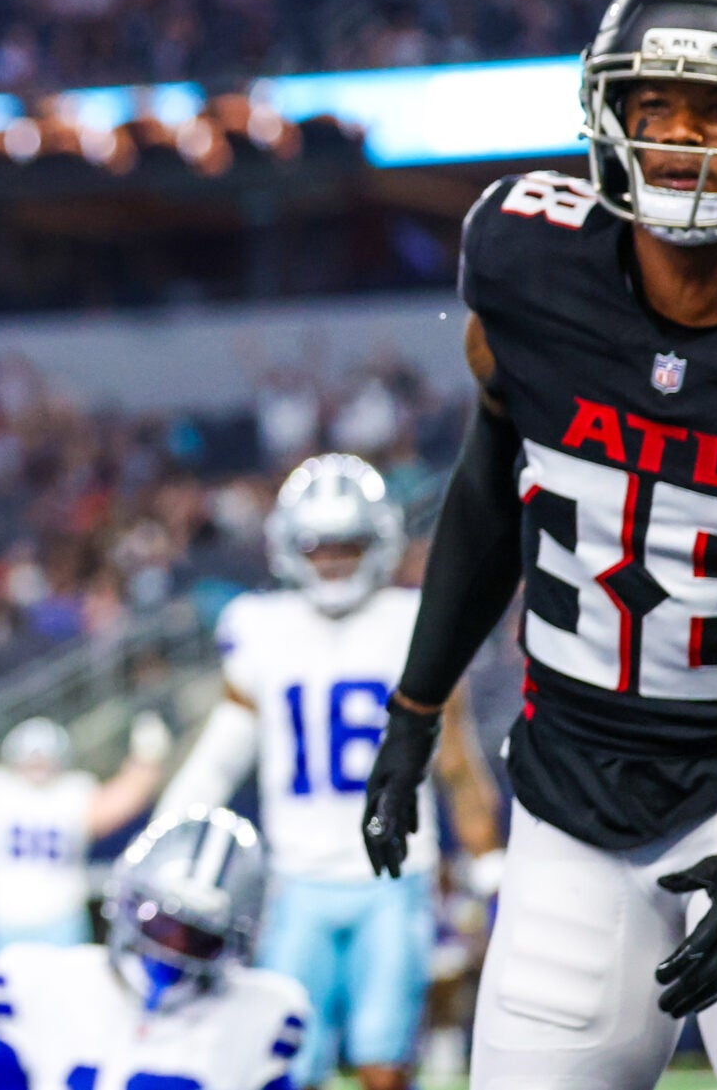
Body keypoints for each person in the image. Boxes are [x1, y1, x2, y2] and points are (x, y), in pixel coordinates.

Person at [360, 0, 717, 1087]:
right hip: (568, 802)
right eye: (653, 105)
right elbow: (491, 471)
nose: (679, 139)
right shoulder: (525, 262)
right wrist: (415, 705)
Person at [156, 454, 502, 1090]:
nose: (334, 559)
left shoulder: (411, 619)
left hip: (397, 875)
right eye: (318, 545)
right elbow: (219, 757)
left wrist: (485, 860)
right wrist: (169, 834)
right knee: (286, 1059)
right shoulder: (262, 628)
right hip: (296, 880)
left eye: (349, 543)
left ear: (380, 543)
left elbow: (455, 755)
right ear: (289, 547)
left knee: (385, 1061)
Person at [0, 808, 311, 1090]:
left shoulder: (261, 1012)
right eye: (162, 923)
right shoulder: (41, 984)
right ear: (129, 901)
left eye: (199, 937)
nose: (174, 947)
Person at [0, 707, 170, 957]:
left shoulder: (73, 793)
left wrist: (147, 757)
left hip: (61, 918)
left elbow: (124, 798)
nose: (38, 762)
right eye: (31, 755)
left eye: (44, 755)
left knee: (59, 993)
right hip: (3, 919)